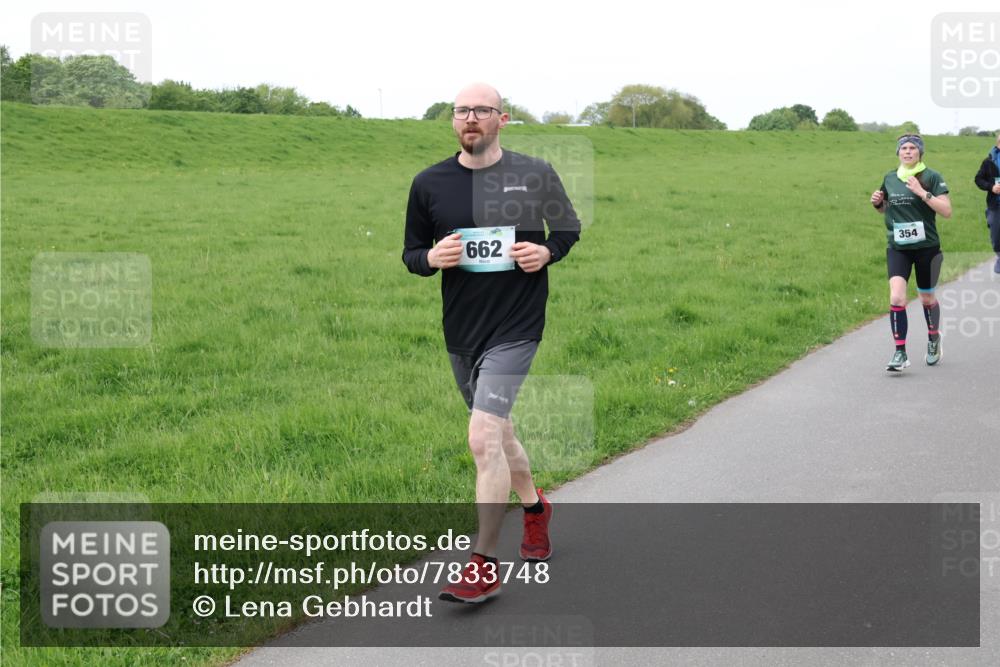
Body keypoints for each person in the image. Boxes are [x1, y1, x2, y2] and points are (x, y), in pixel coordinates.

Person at [402, 82, 581, 603]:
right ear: (453, 121)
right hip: (462, 331)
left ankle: (483, 563)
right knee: (498, 435)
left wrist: (546, 253)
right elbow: (412, 253)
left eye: (481, 110)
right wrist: (430, 260)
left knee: (482, 435)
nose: (470, 118)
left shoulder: (535, 173)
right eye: (462, 111)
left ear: (503, 118)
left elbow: (567, 229)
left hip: (517, 327)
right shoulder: (428, 183)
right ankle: (535, 509)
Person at [870, 134, 952, 372]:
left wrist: (922, 192)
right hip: (898, 248)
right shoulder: (890, 177)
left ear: (920, 153)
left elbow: (946, 211)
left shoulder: (932, 177)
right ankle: (900, 352)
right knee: (896, 297)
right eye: (903, 148)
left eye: (912, 148)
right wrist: (878, 203)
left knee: (926, 298)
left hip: (927, 248)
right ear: (898, 153)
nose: (907, 152)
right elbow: (887, 208)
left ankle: (934, 338)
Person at [973, 131, 1000, 273]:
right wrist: (991, 187)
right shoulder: (989, 162)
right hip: (996, 205)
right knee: (996, 236)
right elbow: (978, 179)